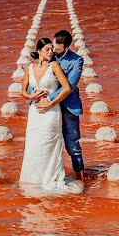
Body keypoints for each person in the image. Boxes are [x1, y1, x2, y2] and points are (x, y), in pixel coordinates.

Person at [18, 38, 80, 193]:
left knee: (48, 144)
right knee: (34, 145)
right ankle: (34, 181)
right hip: (34, 112)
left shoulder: (54, 65)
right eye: (47, 49)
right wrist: (32, 97)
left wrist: (50, 103)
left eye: (52, 49)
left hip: (51, 112)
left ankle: (50, 178)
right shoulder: (29, 68)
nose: (51, 52)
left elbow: (66, 88)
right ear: (38, 50)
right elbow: (23, 91)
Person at [33, 29, 85, 180]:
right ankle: (47, 176)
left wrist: (49, 99)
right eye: (53, 45)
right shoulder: (48, 54)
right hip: (47, 108)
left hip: (68, 107)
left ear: (67, 48)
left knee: (72, 145)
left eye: (57, 48)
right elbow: (35, 75)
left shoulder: (77, 60)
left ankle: (81, 180)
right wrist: (35, 94)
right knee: (46, 141)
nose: (53, 50)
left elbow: (70, 85)